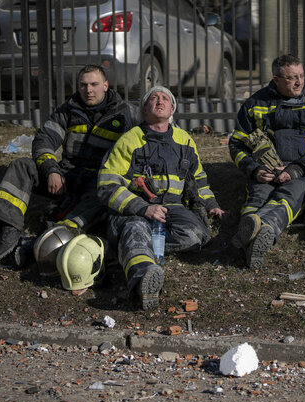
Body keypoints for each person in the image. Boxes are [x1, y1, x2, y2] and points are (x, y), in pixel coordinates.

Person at [0, 65, 138, 263]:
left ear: (106, 86)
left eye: (94, 84)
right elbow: (44, 139)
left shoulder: (126, 113)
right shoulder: (68, 109)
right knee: (22, 166)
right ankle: (9, 230)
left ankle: (51, 237)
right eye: (83, 85)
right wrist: (51, 170)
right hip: (67, 175)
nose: (88, 90)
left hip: (99, 180)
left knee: (105, 194)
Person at [97, 86, 226, 310]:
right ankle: (143, 279)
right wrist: (141, 208)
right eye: (153, 98)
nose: (160, 101)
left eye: (165, 98)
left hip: (172, 209)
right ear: (145, 109)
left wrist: (212, 205)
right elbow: (106, 185)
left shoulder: (185, 141)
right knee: (135, 228)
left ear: (172, 108)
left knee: (196, 235)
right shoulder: (130, 140)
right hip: (134, 211)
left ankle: (134, 248)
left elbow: (199, 180)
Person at [228, 54, 305, 269]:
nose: (299, 82)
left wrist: (297, 169)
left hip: (303, 170)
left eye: (301, 76)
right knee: (257, 198)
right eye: (291, 78)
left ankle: (265, 228)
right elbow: (237, 144)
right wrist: (254, 169)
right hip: (266, 170)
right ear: (276, 80)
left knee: (291, 195)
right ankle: (252, 242)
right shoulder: (255, 104)